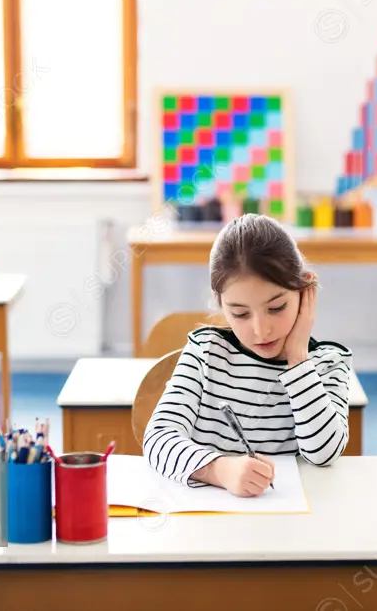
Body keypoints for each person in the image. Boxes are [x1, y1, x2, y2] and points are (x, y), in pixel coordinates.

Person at [142, 213, 353, 497]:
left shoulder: (327, 363)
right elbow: (157, 439)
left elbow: (324, 454)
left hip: (291, 526)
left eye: (276, 308)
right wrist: (219, 470)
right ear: (220, 303)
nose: (260, 331)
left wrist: (299, 359)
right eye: (240, 313)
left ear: (306, 291)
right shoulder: (206, 352)